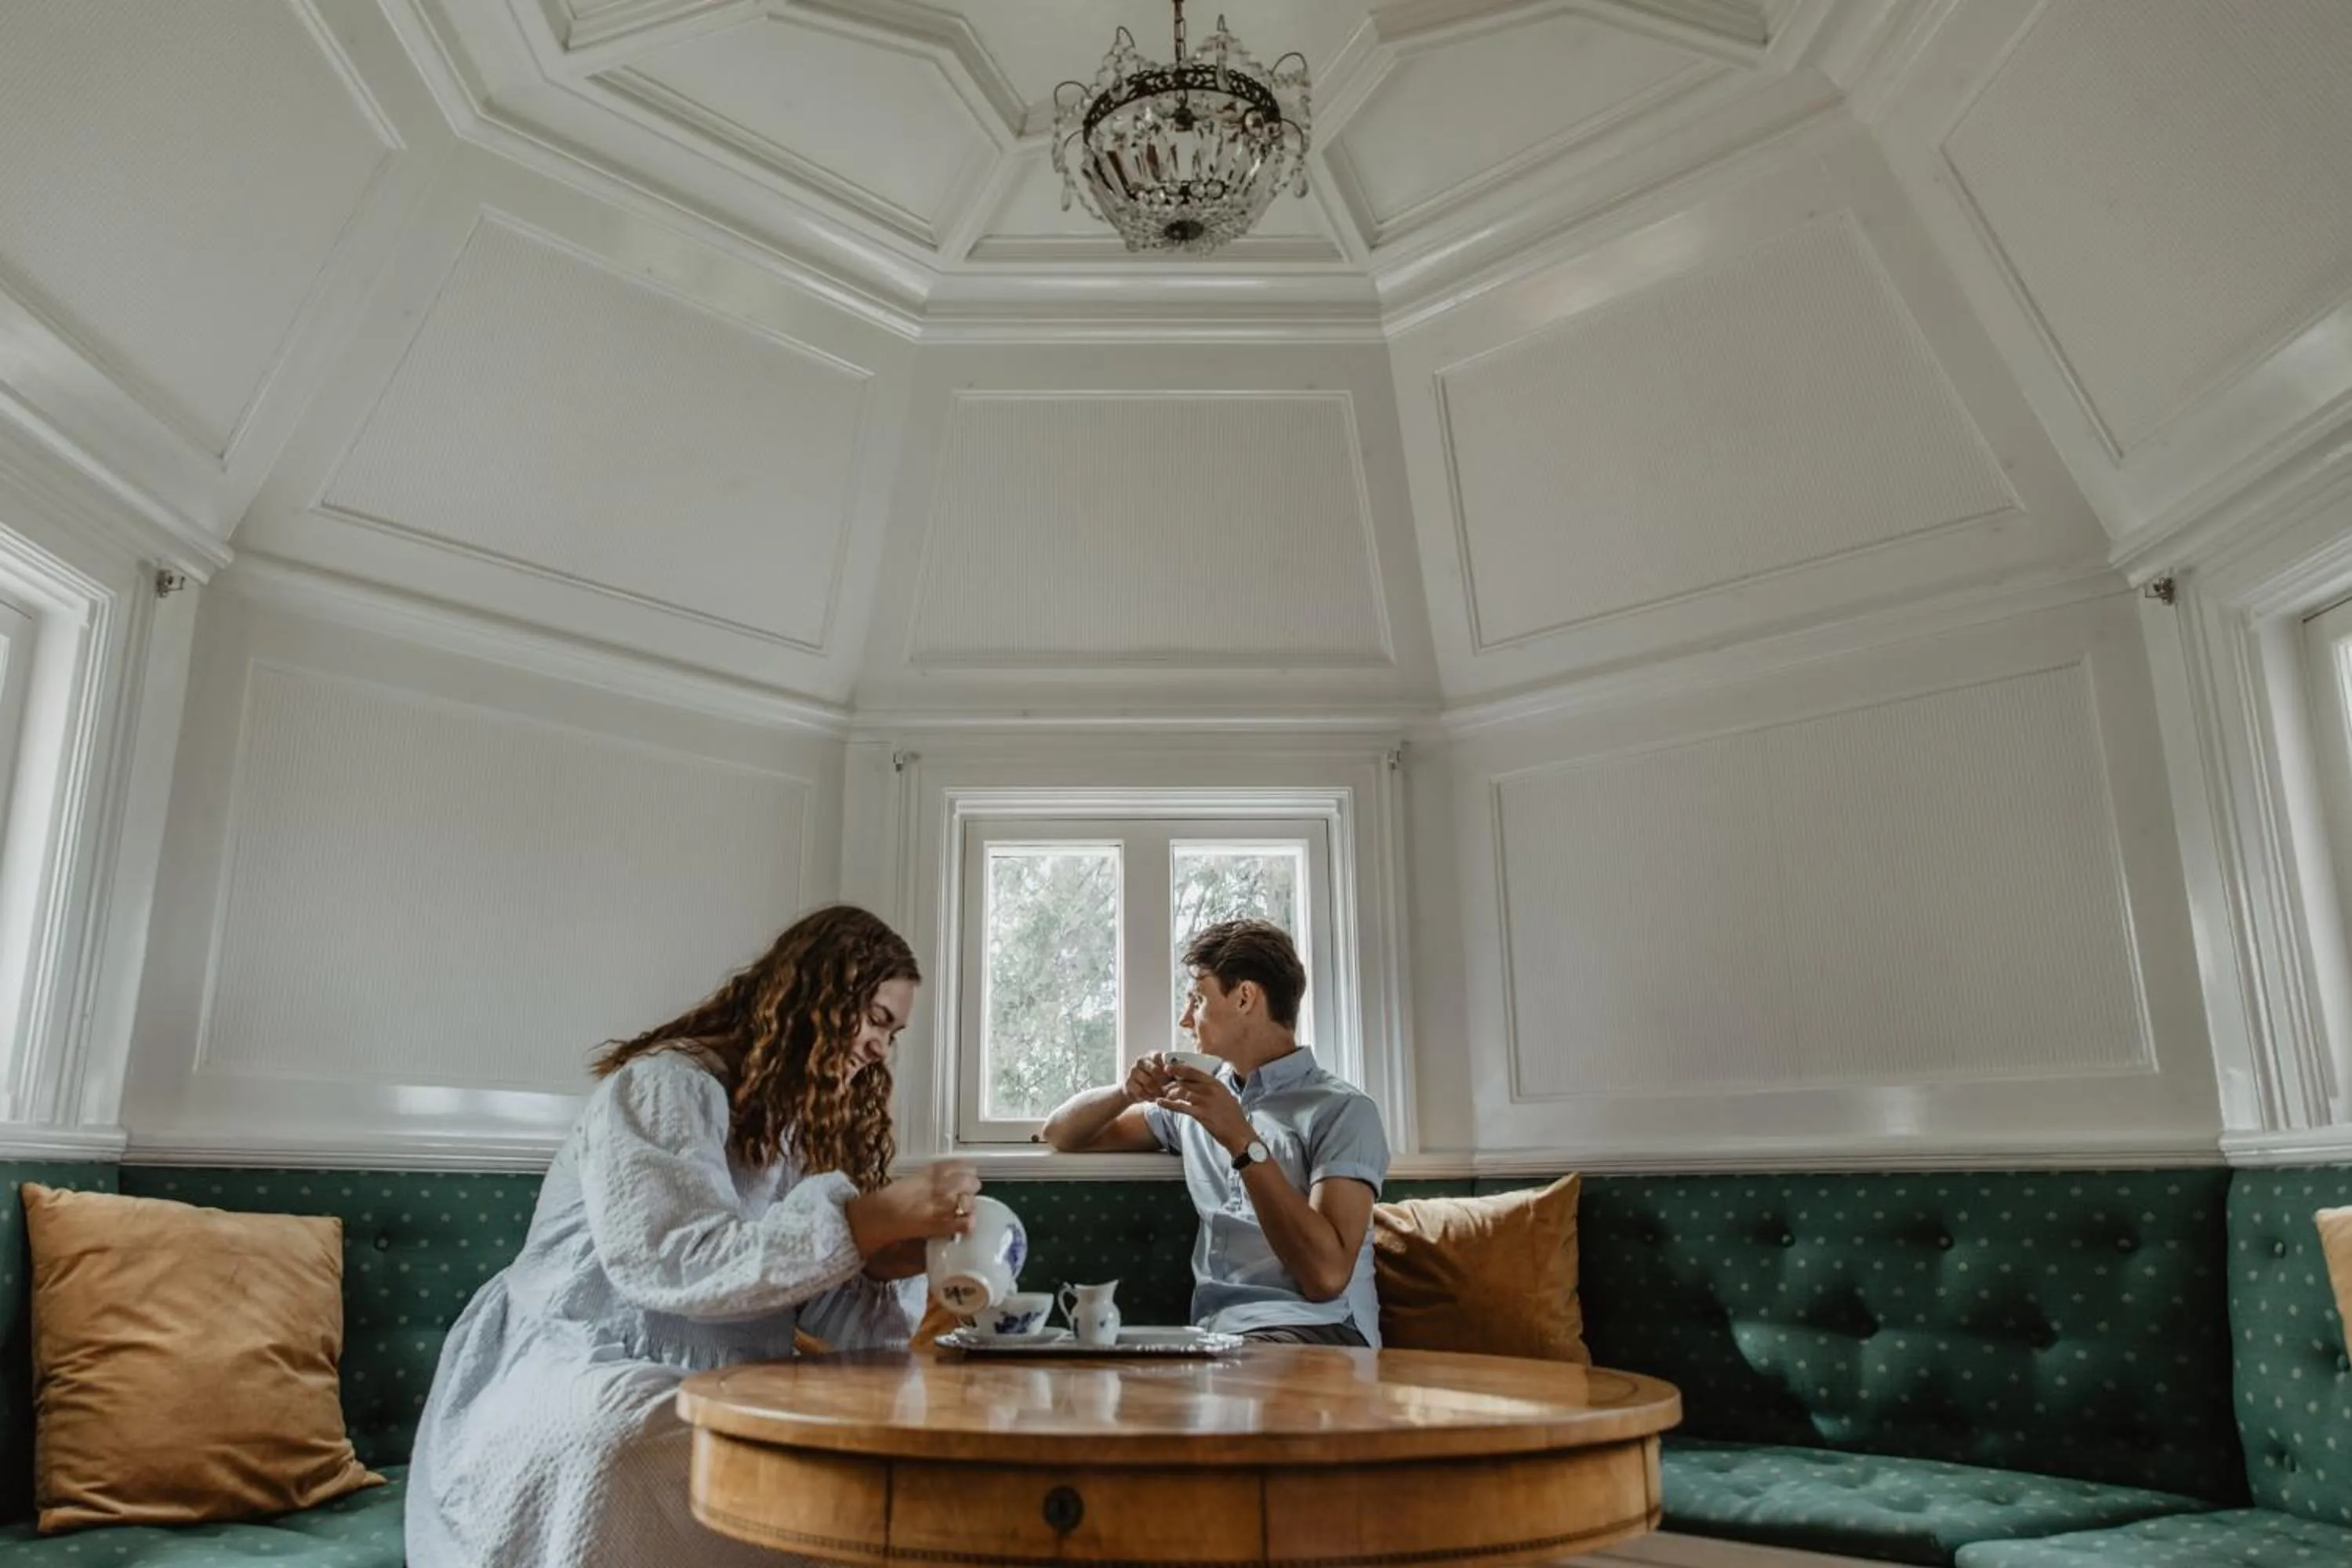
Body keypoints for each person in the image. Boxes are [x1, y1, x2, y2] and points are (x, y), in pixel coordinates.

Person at [405, 905, 980, 1567]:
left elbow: (795, 1297)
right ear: (819, 995)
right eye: (877, 1019)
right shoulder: (663, 1086)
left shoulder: (796, 1131)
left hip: (723, 1374)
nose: (881, 1048)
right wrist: (866, 1221)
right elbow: (673, 1263)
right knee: (625, 1438)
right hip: (575, 1355)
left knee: (844, 1440)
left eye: (894, 1033)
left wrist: (881, 1264)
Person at [1039, 918, 1389, 1346]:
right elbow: (1062, 1134)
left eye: (1197, 999)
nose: (1186, 1019)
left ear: (1244, 997)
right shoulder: (1195, 1103)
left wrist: (1241, 1139)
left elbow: (1327, 1277)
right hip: (1216, 1337)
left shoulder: (1344, 1111)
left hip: (1319, 1332)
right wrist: (1125, 1092)